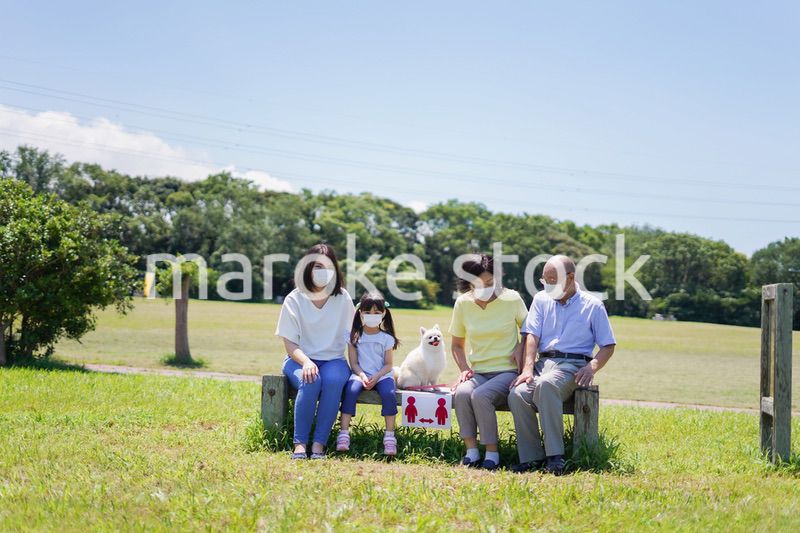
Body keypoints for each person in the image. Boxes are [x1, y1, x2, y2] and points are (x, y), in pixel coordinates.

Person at [508, 255, 616, 475]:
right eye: (544, 280)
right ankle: (532, 458)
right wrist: (528, 368)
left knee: (546, 385)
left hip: (573, 366)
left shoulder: (593, 305)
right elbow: (532, 336)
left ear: (570, 277)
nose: (548, 286)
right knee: (517, 393)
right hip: (543, 362)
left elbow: (608, 345)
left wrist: (592, 367)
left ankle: (555, 457)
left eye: (552, 281)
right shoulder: (540, 299)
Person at [276, 243, 355, 460]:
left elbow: (352, 339)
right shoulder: (294, 298)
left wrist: (359, 369)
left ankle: (319, 444)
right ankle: (300, 444)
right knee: (311, 380)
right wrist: (307, 363)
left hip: (334, 360)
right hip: (298, 359)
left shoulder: (343, 298)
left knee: (333, 380)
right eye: (317, 266)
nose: (323, 271)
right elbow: (290, 344)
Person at [449, 253, 528, 470]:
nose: (485, 287)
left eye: (490, 282)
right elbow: (456, 344)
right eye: (478, 283)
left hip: (508, 371)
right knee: (462, 393)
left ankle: (492, 454)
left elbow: (530, 332)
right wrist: (464, 369)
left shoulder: (511, 299)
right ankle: (471, 452)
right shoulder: (462, 304)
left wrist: (521, 346)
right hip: (479, 372)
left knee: (480, 396)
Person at [336, 292, 400, 456]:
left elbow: (388, 365)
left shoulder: (386, 338)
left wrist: (377, 376)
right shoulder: (354, 337)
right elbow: (354, 363)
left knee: (389, 393)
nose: (372, 316)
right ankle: (343, 434)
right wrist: (363, 376)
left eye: (377, 313)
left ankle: (390, 436)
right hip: (360, 374)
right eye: (368, 312)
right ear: (360, 313)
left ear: (384, 314)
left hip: (382, 375)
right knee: (350, 391)